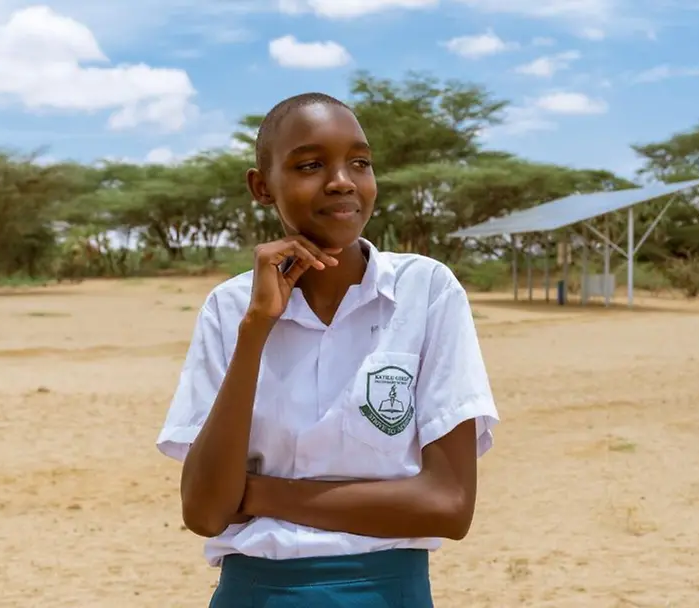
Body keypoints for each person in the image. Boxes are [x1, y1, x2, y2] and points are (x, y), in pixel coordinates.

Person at [156, 92, 499, 607]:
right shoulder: (229, 310)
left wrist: (257, 493)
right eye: (310, 165)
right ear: (261, 186)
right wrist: (256, 331)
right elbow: (205, 512)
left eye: (359, 162)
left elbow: (447, 506)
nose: (342, 180)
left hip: (388, 594)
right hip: (256, 593)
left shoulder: (426, 292)